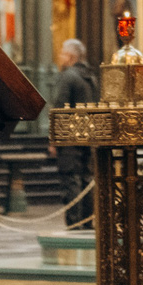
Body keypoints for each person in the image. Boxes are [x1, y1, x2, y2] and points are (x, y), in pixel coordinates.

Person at [51, 38, 99, 229]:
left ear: (70, 56)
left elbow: (59, 109)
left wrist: (54, 139)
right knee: (86, 180)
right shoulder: (90, 77)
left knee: (71, 181)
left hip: (69, 138)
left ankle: (74, 225)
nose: (60, 56)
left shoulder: (68, 77)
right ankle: (87, 223)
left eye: (63, 53)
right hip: (88, 137)